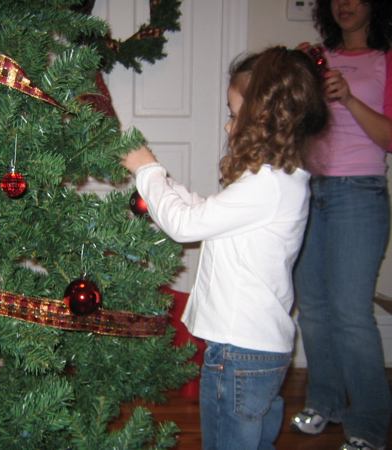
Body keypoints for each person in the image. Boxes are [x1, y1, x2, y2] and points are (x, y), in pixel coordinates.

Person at [121, 46, 329, 450]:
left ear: (263, 120)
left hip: (238, 355)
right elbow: (207, 213)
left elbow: (185, 225)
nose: (228, 126)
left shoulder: (266, 185)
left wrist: (147, 169)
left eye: (235, 115)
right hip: (258, 352)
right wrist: (172, 188)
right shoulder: (278, 181)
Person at [291, 1, 392, 449]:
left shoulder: (384, 60)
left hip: (360, 192)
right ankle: (325, 401)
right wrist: (297, 78)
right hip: (308, 190)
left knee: (351, 315)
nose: (346, 4)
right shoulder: (317, 57)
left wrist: (348, 98)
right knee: (312, 309)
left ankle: (368, 425)